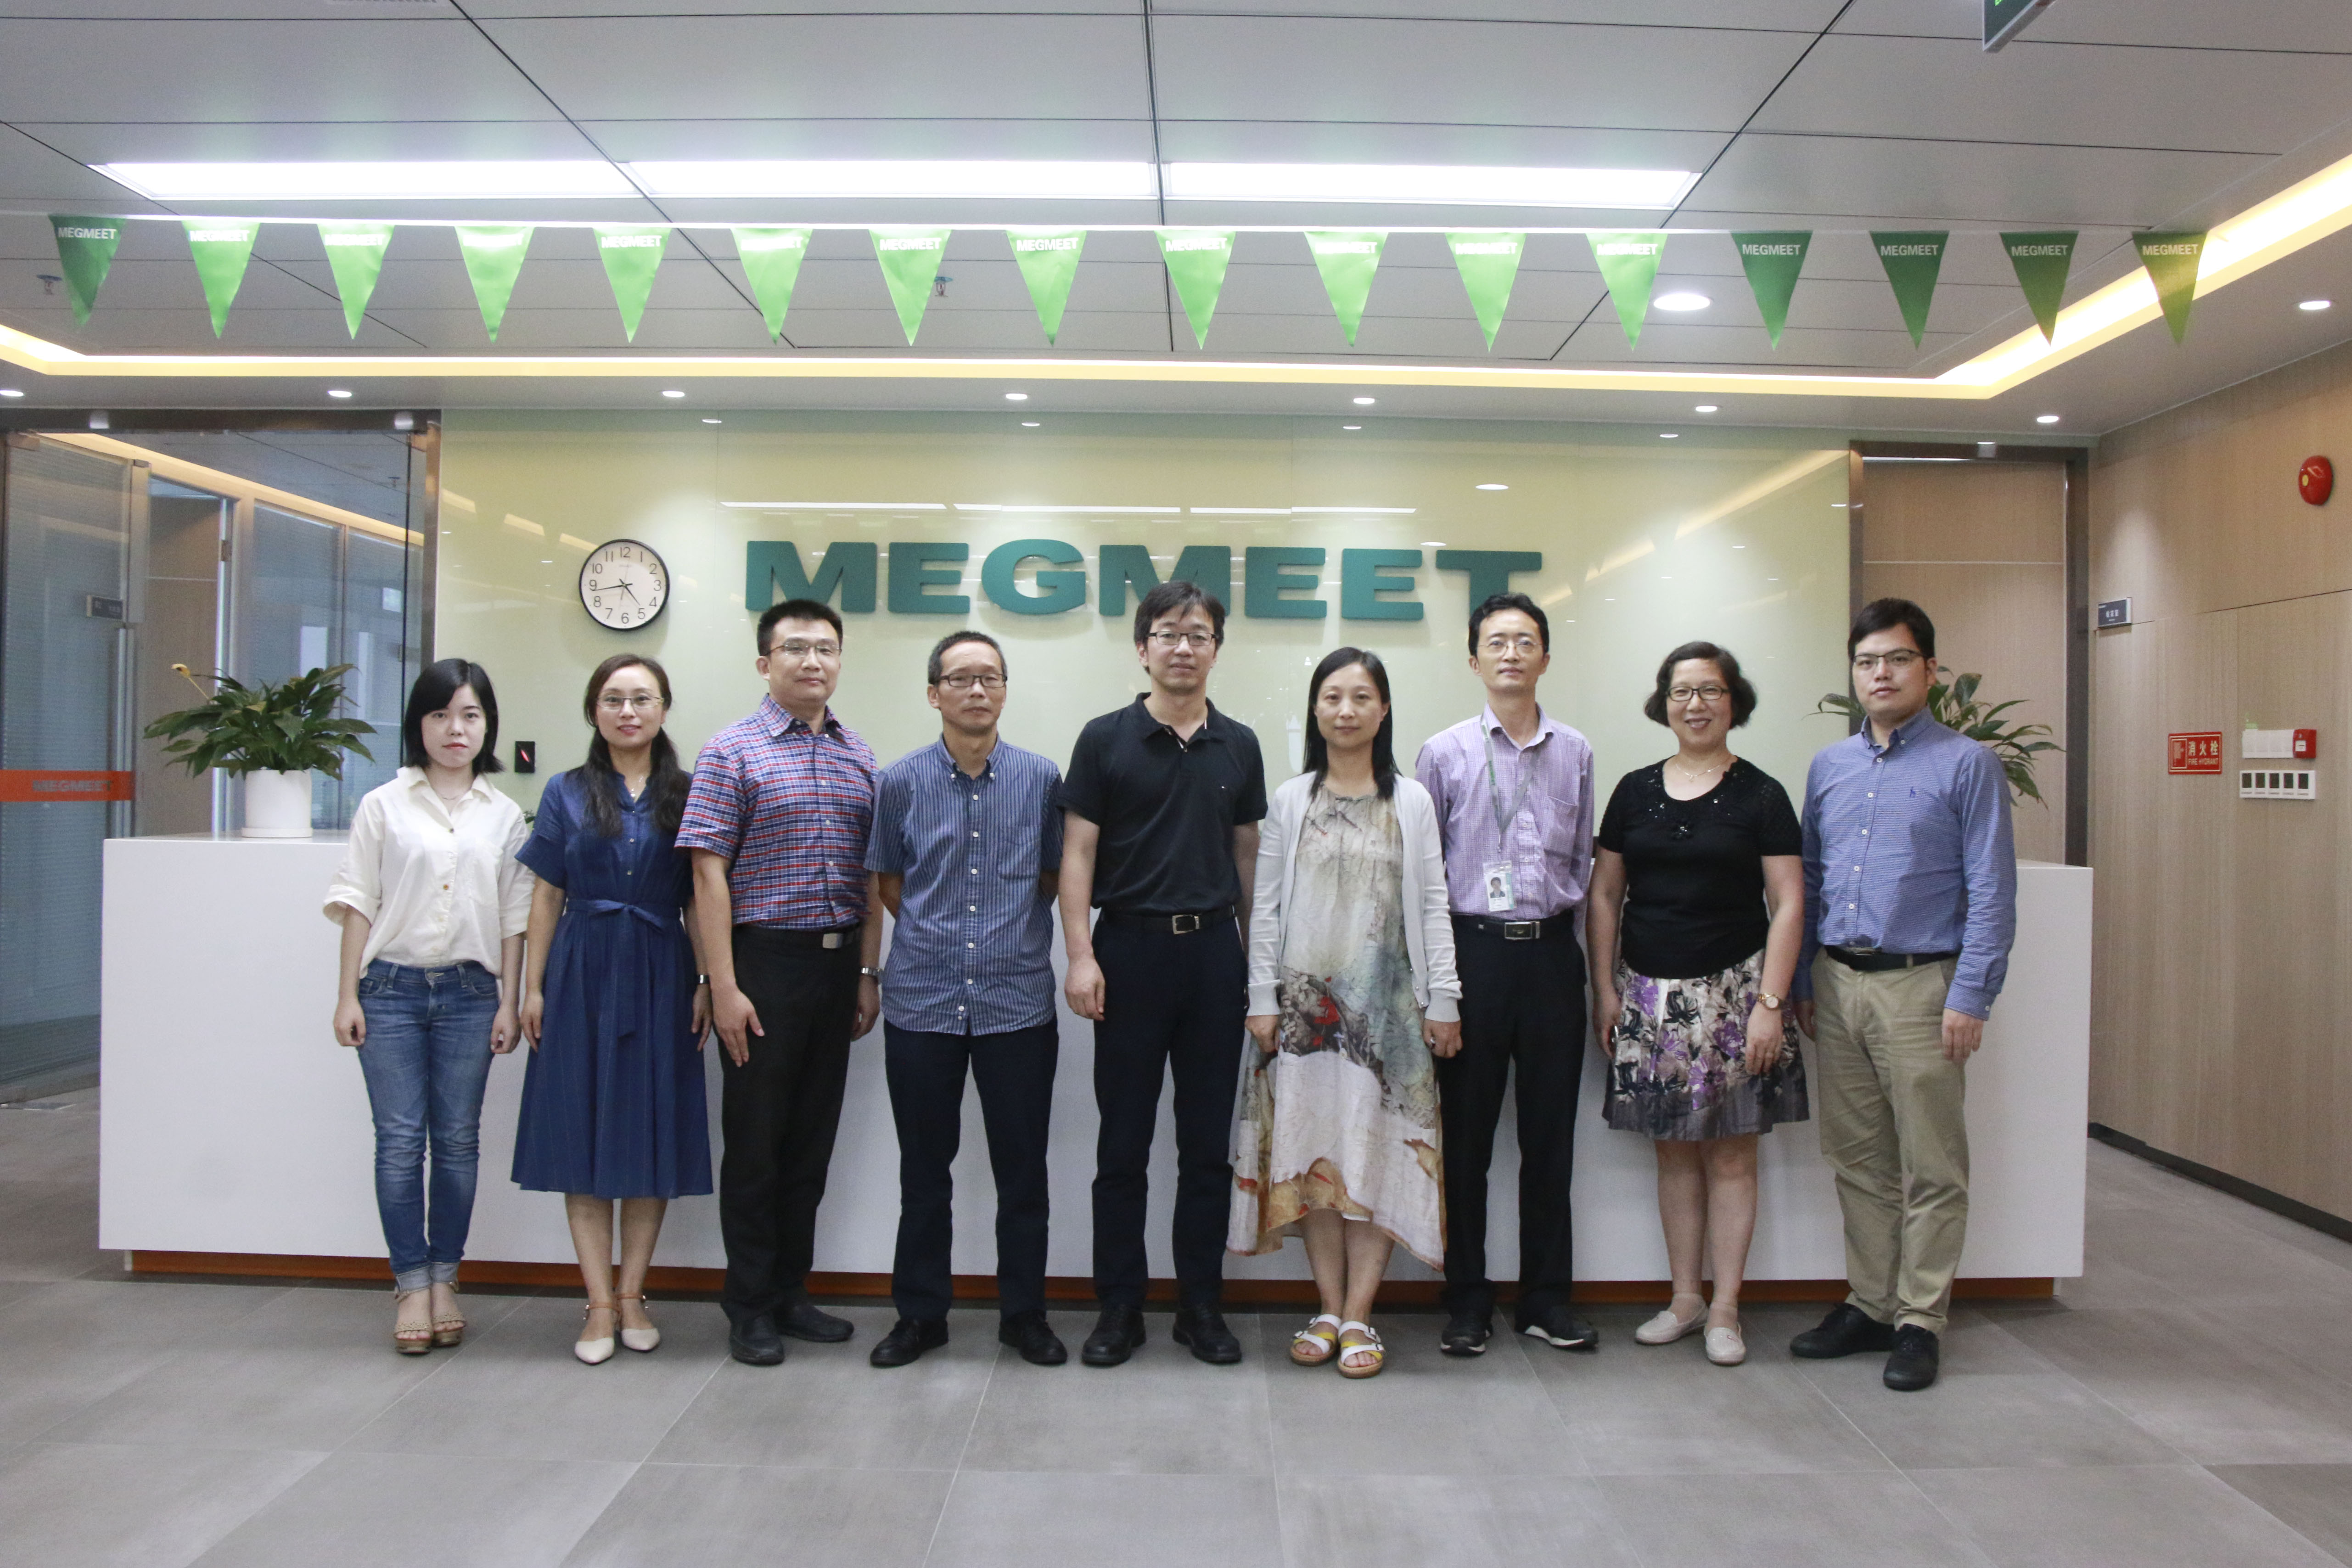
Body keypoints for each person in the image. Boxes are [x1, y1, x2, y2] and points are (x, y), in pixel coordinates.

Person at [1790, 597, 2016, 1393]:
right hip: (1837, 981)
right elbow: (1809, 879)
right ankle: (1870, 1304)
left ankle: (1921, 1319)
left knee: (1931, 1163)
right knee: (1857, 1159)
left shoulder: (1967, 764)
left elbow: (1992, 889)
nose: (1880, 674)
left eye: (1896, 659)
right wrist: (1801, 980)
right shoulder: (1830, 767)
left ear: (1929, 669)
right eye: (1866, 662)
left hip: (1923, 986)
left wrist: (1971, 995)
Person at [1229, 648, 1460, 1379]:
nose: (1347, 710)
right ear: (1315, 709)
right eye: (1332, 696)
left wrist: (1445, 999)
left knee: (1377, 1155)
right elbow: (1265, 908)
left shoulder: (1412, 801)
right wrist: (1261, 999)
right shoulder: (1291, 799)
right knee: (1315, 1157)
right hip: (1303, 1020)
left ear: (1383, 710)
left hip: (1390, 1018)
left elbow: (1433, 906)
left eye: (1362, 697)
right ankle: (1328, 1308)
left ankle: (1361, 1314)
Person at [1060, 579, 1267, 1368]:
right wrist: (1081, 956)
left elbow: (1247, 860)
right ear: (1143, 648)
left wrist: (1257, 969)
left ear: (1217, 649)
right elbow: (1078, 853)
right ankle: (1119, 1308)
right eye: (1169, 634)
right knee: (1123, 1145)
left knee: (1207, 1147)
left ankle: (1200, 1307)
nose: (1184, 647)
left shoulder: (1239, 744)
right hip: (1129, 954)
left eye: (1199, 634)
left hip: (1214, 958)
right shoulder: (1103, 739)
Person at [1587, 641, 1808, 1370]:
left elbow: (1788, 902)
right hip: (1651, 998)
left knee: (1733, 1155)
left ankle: (1726, 1308)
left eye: (1711, 690)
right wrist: (1605, 989)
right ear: (1664, 704)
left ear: (1733, 702)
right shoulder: (1633, 792)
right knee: (1674, 1154)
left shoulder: (1762, 795)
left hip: (1738, 996)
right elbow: (1605, 896)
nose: (1696, 704)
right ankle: (1685, 1299)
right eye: (1682, 691)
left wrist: (1772, 1002)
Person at [679, 598, 883, 1368]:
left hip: (836, 968)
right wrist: (721, 983)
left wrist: (866, 973)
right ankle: (749, 1305)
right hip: (761, 965)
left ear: (841, 661)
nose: (812, 661)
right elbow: (707, 875)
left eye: (826, 648)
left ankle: (792, 1292)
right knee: (757, 1144)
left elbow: (871, 878)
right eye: (796, 648)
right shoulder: (730, 752)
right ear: (766, 663)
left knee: (810, 1142)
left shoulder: (860, 755)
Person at [864, 632, 1067, 1370]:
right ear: (934, 694)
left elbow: (1056, 876)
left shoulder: (1042, 779)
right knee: (924, 1174)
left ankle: (1025, 1316)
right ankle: (921, 1317)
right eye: (960, 679)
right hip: (923, 1001)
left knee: (1024, 1174)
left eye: (990, 678)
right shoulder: (899, 782)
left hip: (1018, 1003)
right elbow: (889, 883)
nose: (977, 691)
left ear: (1005, 690)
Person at [326, 659, 530, 1355]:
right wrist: (347, 994)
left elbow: (515, 916)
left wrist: (509, 1002)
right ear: (420, 724)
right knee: (398, 1143)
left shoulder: (504, 815)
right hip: (389, 992)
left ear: (488, 726)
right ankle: (410, 1283)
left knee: (458, 1143)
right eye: (441, 715)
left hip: (471, 996)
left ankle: (446, 1278)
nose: (455, 729)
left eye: (470, 715)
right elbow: (358, 901)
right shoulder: (383, 805)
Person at [513, 654, 712, 1366]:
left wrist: (708, 980)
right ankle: (598, 1302)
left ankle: (634, 1295)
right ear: (594, 711)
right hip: (582, 974)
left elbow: (701, 897)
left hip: (663, 971)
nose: (628, 711)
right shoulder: (565, 792)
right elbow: (546, 894)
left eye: (642, 699)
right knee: (583, 1136)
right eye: (614, 699)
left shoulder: (691, 792)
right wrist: (533, 987)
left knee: (650, 1135)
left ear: (664, 708)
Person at [1416, 592, 1597, 1358]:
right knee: (1466, 1143)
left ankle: (1546, 1299)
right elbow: (1426, 879)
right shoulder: (1443, 753)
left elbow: (1584, 865)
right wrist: (1439, 988)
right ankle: (1467, 1300)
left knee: (1551, 1142)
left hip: (1552, 956)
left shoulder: (1576, 752)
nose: (1512, 653)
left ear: (1546, 658)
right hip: (1473, 955)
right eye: (1497, 642)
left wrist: (1583, 967)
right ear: (1474, 659)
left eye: (1526, 641)